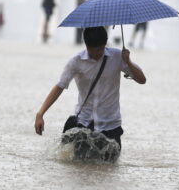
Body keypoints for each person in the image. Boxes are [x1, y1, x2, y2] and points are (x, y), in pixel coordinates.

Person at [34, 26, 146, 159]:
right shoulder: (76, 61)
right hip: (84, 124)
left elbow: (142, 80)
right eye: (93, 50)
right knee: (81, 170)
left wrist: (128, 62)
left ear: (105, 43)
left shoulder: (117, 57)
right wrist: (40, 113)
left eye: (100, 49)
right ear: (86, 45)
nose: (97, 53)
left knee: (110, 172)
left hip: (111, 125)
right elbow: (60, 86)